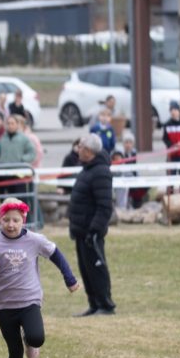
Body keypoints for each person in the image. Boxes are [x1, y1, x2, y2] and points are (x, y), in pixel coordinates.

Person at [0, 198, 79, 358]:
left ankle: (29, 340)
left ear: (23, 220)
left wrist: (69, 279)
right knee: (14, 349)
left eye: (15, 220)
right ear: (0, 220)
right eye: (6, 220)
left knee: (37, 338)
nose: (10, 225)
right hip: (3, 304)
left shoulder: (34, 240)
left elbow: (56, 255)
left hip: (29, 300)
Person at [69, 134, 115, 317]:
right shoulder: (87, 169)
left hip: (91, 232)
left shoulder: (100, 172)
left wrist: (95, 230)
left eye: (80, 147)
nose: (77, 149)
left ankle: (105, 304)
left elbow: (105, 206)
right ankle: (94, 304)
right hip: (81, 231)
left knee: (96, 268)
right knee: (86, 269)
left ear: (88, 151)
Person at [0, 114, 37, 197]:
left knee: (19, 198)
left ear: (17, 125)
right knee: (5, 199)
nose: (10, 126)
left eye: (12, 123)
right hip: (4, 173)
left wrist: (22, 160)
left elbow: (32, 152)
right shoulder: (2, 139)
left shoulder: (23, 138)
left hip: (18, 174)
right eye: (8, 123)